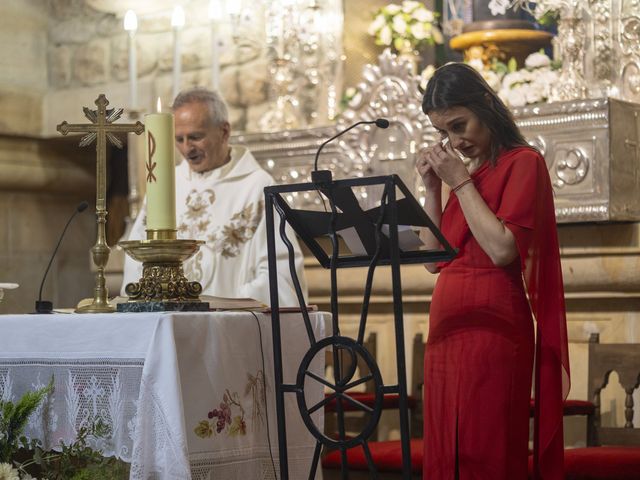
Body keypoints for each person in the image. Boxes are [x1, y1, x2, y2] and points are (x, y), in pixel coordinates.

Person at [416, 63, 569, 479]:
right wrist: (433, 190)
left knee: (488, 447)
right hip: (447, 329)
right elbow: (432, 260)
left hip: (494, 329)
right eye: (444, 133)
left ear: (486, 104)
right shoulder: (464, 176)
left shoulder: (524, 163)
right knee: (447, 448)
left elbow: (502, 249)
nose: (454, 140)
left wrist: (460, 183)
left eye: (459, 124)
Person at [122, 88, 307, 307]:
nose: (186, 149)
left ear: (224, 132)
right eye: (179, 139)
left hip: (230, 325)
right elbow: (137, 264)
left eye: (195, 137)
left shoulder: (256, 186)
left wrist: (225, 307)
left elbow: (279, 275)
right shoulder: (166, 184)